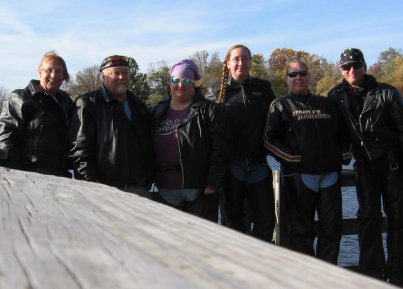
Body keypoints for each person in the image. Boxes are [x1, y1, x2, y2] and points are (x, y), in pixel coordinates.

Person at [328, 48, 403, 285]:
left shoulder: (387, 93)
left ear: (364, 66)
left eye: (356, 65)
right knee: (368, 217)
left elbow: (401, 131)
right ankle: (372, 274)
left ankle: (397, 273)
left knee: (398, 218)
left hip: (392, 164)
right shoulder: (336, 95)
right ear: (341, 70)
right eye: (346, 67)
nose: (351, 70)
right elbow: (333, 132)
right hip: (364, 165)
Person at [264, 60, 351, 264]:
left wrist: (344, 156)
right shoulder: (280, 105)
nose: (298, 78)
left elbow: (344, 134)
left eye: (302, 73)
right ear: (286, 79)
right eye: (293, 75)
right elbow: (269, 139)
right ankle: (307, 277)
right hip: (299, 177)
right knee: (300, 232)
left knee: (332, 229)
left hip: (330, 175)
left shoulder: (327, 104)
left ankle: (328, 275)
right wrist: (292, 158)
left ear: (309, 76)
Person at [207, 44, 276, 241]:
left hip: (258, 163)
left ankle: (259, 262)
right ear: (227, 63)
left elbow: (277, 121)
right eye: (236, 59)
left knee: (266, 220)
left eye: (245, 59)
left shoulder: (263, 88)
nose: (241, 63)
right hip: (230, 166)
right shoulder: (215, 90)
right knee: (233, 223)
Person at [151, 59, 228, 222]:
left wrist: (213, 182)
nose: (181, 85)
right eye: (175, 80)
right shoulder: (157, 112)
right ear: (170, 83)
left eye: (186, 80)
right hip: (165, 191)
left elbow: (221, 149)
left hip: (199, 191)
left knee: (201, 243)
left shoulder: (209, 110)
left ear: (194, 83)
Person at [69, 55, 154, 196]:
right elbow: (80, 150)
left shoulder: (138, 105)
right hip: (104, 189)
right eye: (116, 73)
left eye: (125, 72)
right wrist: (91, 184)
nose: (121, 77)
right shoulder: (88, 104)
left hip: (138, 187)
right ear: (103, 77)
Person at [0, 51, 74, 177]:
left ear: (64, 76)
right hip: (30, 174)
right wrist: (17, 174)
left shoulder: (67, 101)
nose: (53, 75)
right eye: (48, 70)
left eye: (58, 71)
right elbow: (7, 138)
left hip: (60, 176)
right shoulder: (20, 97)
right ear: (40, 71)